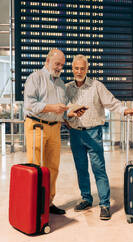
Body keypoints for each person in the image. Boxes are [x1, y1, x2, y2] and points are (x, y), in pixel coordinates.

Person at [66, 54, 133, 220]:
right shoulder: (67, 88)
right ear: (72, 69)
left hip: (93, 133)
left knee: (99, 169)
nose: (79, 71)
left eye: (82, 68)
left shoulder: (96, 86)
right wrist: (65, 119)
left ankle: (104, 204)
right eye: (76, 68)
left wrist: (124, 109)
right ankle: (86, 199)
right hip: (75, 133)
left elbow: (111, 102)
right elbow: (63, 109)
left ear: (87, 69)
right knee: (81, 168)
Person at [24, 48, 82, 215]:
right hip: (36, 126)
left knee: (53, 168)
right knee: (35, 166)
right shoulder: (35, 78)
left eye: (62, 65)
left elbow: (61, 111)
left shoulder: (61, 84)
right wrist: (51, 107)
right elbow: (29, 105)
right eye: (57, 64)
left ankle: (48, 203)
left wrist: (70, 113)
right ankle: (34, 204)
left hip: (54, 128)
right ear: (47, 61)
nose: (59, 68)